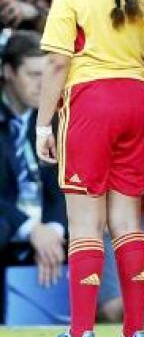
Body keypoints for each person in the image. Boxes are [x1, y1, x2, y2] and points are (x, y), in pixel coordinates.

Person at [34, 0, 144, 337]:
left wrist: (43, 124)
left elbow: (57, 63)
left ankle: (82, 330)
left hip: (91, 101)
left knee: (86, 224)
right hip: (136, 100)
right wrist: (142, 108)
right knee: (127, 221)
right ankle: (136, 328)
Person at [1, 32, 66, 315]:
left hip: (49, 226)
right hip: (9, 221)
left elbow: (65, 184)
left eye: (48, 75)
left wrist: (54, 229)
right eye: (33, 75)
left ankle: (113, 310)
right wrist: (31, 228)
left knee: (95, 226)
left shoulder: (54, 121)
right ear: (8, 72)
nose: (43, 85)